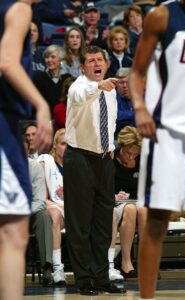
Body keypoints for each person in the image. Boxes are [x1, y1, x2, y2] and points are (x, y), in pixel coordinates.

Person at [128, 0, 185, 299]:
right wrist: (140, 107)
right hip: (166, 131)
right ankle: (147, 297)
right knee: (157, 220)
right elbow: (135, 73)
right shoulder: (162, 16)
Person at [63, 45, 126, 295]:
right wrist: (98, 86)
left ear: (106, 63)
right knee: (80, 225)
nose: (96, 63)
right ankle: (84, 279)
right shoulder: (78, 87)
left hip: (103, 161)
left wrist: (110, 146)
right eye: (91, 60)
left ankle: (102, 277)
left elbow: (109, 122)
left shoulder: (109, 90)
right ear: (82, 66)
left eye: (100, 59)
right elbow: (82, 95)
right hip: (79, 159)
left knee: (102, 224)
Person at [0, 1, 53, 300]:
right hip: (3, 123)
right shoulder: (19, 8)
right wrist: (42, 104)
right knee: (13, 231)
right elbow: (6, 61)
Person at [109, 126, 147, 281]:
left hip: (137, 202)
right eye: (128, 153)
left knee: (144, 211)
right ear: (121, 147)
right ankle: (126, 262)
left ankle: (145, 261)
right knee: (130, 209)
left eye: (135, 154)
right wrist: (114, 196)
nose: (132, 158)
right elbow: (102, 188)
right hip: (115, 204)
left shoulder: (141, 162)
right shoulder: (110, 159)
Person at [38, 128, 67, 286]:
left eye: (69, 145)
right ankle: (57, 268)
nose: (66, 148)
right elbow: (42, 197)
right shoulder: (45, 161)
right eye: (63, 144)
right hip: (49, 206)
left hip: (70, 209)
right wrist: (58, 204)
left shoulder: (74, 166)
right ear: (55, 145)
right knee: (55, 214)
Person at [24, 140, 54, 287]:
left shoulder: (34, 167)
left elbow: (40, 201)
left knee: (44, 216)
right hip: (6, 216)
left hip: (28, 215)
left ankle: (47, 270)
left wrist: (22, 212)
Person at [33, 44, 71, 116]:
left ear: (60, 60)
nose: (49, 60)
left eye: (53, 57)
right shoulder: (38, 78)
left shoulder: (67, 79)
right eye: (47, 57)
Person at [115, 67, 135, 137]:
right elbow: (116, 117)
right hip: (118, 138)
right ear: (116, 84)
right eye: (121, 82)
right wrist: (137, 114)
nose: (125, 86)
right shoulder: (111, 98)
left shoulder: (140, 96)